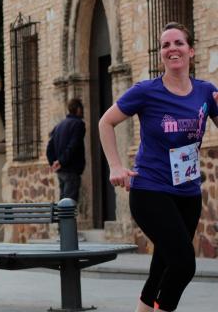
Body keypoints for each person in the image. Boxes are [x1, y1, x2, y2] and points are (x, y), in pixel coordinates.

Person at [98, 22, 218, 312]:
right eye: (165, 45)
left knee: (161, 268)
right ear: (161, 54)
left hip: (188, 193)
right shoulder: (146, 91)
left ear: (191, 51)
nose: (171, 49)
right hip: (150, 190)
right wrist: (115, 166)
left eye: (178, 43)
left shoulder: (205, 92)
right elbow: (106, 122)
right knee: (183, 264)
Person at [46, 98, 86, 202]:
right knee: (69, 203)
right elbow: (73, 146)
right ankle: (64, 219)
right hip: (71, 170)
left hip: (61, 171)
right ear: (78, 109)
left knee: (62, 202)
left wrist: (53, 162)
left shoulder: (59, 125)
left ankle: (60, 219)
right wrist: (60, 161)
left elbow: (49, 147)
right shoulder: (78, 124)